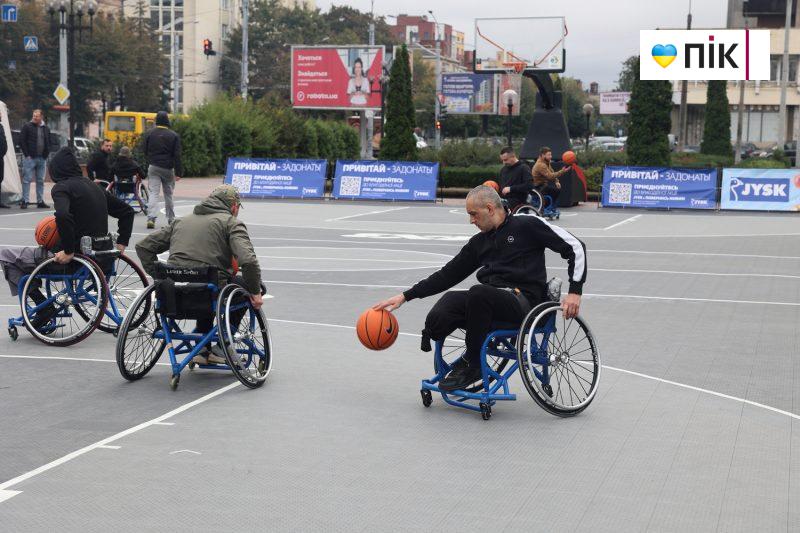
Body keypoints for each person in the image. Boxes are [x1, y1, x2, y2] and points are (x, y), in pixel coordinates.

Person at [372, 185, 587, 392]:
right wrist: (405, 296)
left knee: (478, 293)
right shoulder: (479, 243)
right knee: (450, 300)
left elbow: (576, 247)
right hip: (490, 303)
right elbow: (448, 274)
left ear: (490, 209)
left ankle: (473, 362)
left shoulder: (527, 225)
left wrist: (575, 291)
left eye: (473, 214)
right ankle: (440, 341)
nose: (471, 220)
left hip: (524, 302)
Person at [0, 147, 134, 327]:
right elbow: (127, 211)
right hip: (100, 260)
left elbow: (63, 216)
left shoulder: (62, 188)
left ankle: (41, 305)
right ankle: (41, 301)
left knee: (7, 256)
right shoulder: (95, 187)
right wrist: (122, 243)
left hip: (72, 261)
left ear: (56, 170)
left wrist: (69, 251)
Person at [135, 185, 263, 365]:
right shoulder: (230, 223)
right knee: (245, 286)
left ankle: (202, 348)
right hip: (208, 292)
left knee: (204, 283)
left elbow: (143, 246)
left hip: (173, 293)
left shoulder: (181, 222)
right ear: (234, 206)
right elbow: (248, 261)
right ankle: (224, 341)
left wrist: (159, 279)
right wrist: (255, 292)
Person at [144, 111, 182, 229]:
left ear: (156, 120)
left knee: (153, 193)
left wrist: (150, 161)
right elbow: (177, 155)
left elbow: (144, 151)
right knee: (168, 194)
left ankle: (151, 218)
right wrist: (179, 172)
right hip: (168, 168)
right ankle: (171, 219)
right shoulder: (174, 135)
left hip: (153, 166)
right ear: (167, 120)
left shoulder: (149, 134)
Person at [19, 109, 52, 209]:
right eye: (34, 115)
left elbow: (49, 141)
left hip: (42, 158)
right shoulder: (27, 126)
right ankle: (25, 200)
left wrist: (47, 153)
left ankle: (40, 201)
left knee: (40, 180)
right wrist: (27, 154)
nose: (34, 117)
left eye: (37, 116)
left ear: (41, 117)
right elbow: (21, 141)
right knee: (26, 180)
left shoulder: (46, 128)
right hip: (30, 158)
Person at [498, 146, 533, 212]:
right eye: (502, 160)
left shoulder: (523, 168)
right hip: (504, 200)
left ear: (513, 156)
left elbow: (529, 185)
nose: (504, 162)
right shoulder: (503, 170)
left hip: (518, 201)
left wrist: (511, 189)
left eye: (505, 160)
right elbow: (501, 188)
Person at [0, 122, 8, 208]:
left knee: (0, 178)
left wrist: (4, 151)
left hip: (0, 157)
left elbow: (3, 140)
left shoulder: (1, 126)